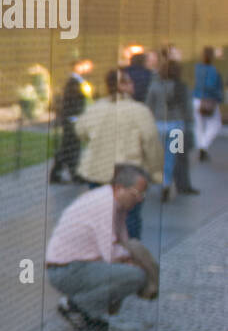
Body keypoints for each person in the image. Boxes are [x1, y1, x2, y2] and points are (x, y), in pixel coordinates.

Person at [48, 164, 152, 331]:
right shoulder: (105, 205)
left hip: (74, 265)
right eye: (136, 193)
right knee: (135, 276)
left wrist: (128, 258)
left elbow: (121, 241)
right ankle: (75, 306)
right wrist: (131, 261)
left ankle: (86, 312)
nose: (140, 199)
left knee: (130, 271)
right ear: (119, 188)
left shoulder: (114, 202)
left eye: (143, 195)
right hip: (66, 270)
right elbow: (109, 252)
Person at [73, 67, 163, 240]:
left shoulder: (96, 108)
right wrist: (156, 171)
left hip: (98, 171)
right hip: (129, 172)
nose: (133, 85)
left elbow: (80, 130)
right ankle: (129, 250)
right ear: (122, 86)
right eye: (129, 82)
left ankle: (104, 248)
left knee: (102, 216)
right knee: (130, 217)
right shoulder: (139, 111)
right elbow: (151, 141)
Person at [145, 57, 198, 200]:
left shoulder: (155, 86)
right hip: (177, 127)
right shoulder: (182, 87)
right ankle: (167, 183)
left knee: (159, 157)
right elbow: (188, 108)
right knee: (173, 157)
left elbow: (149, 106)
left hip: (159, 126)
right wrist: (190, 124)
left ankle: (160, 182)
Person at [49, 58, 92, 183]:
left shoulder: (78, 81)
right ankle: (73, 174)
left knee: (68, 147)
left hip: (74, 118)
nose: (88, 69)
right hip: (72, 119)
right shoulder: (74, 82)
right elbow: (73, 102)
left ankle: (58, 173)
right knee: (71, 147)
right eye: (85, 66)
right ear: (78, 67)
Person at [193, 46, 223, 161]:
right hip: (208, 100)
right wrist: (219, 97)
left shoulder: (198, 68)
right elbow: (211, 86)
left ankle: (202, 147)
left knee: (199, 126)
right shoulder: (213, 71)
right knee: (215, 124)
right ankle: (203, 146)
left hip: (196, 98)